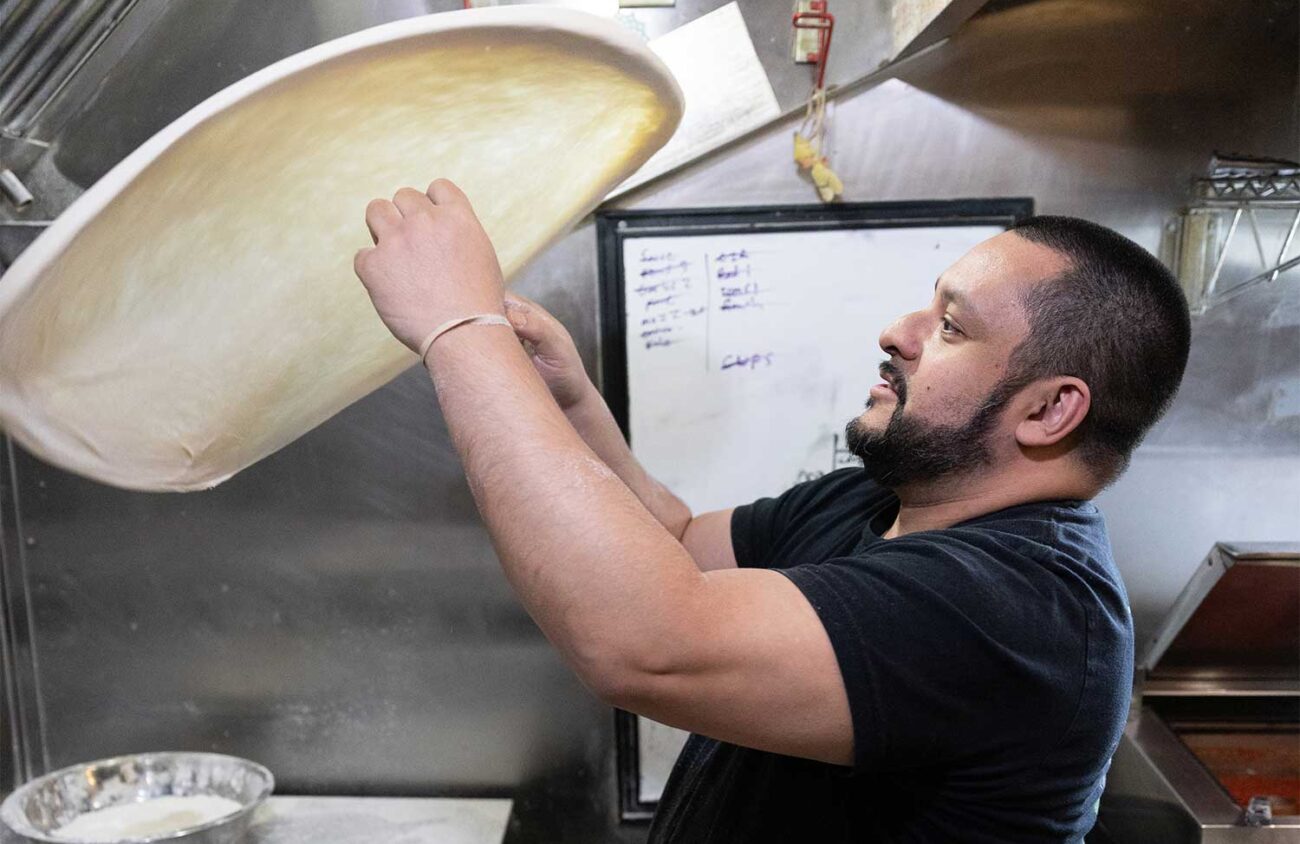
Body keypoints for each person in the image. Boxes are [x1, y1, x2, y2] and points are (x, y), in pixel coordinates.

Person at [353, 180, 1191, 843]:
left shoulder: (1023, 613)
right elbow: (678, 542)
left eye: (949, 326)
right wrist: (568, 401)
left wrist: (460, 329)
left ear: (1048, 411)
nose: (897, 333)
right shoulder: (888, 499)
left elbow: (645, 644)